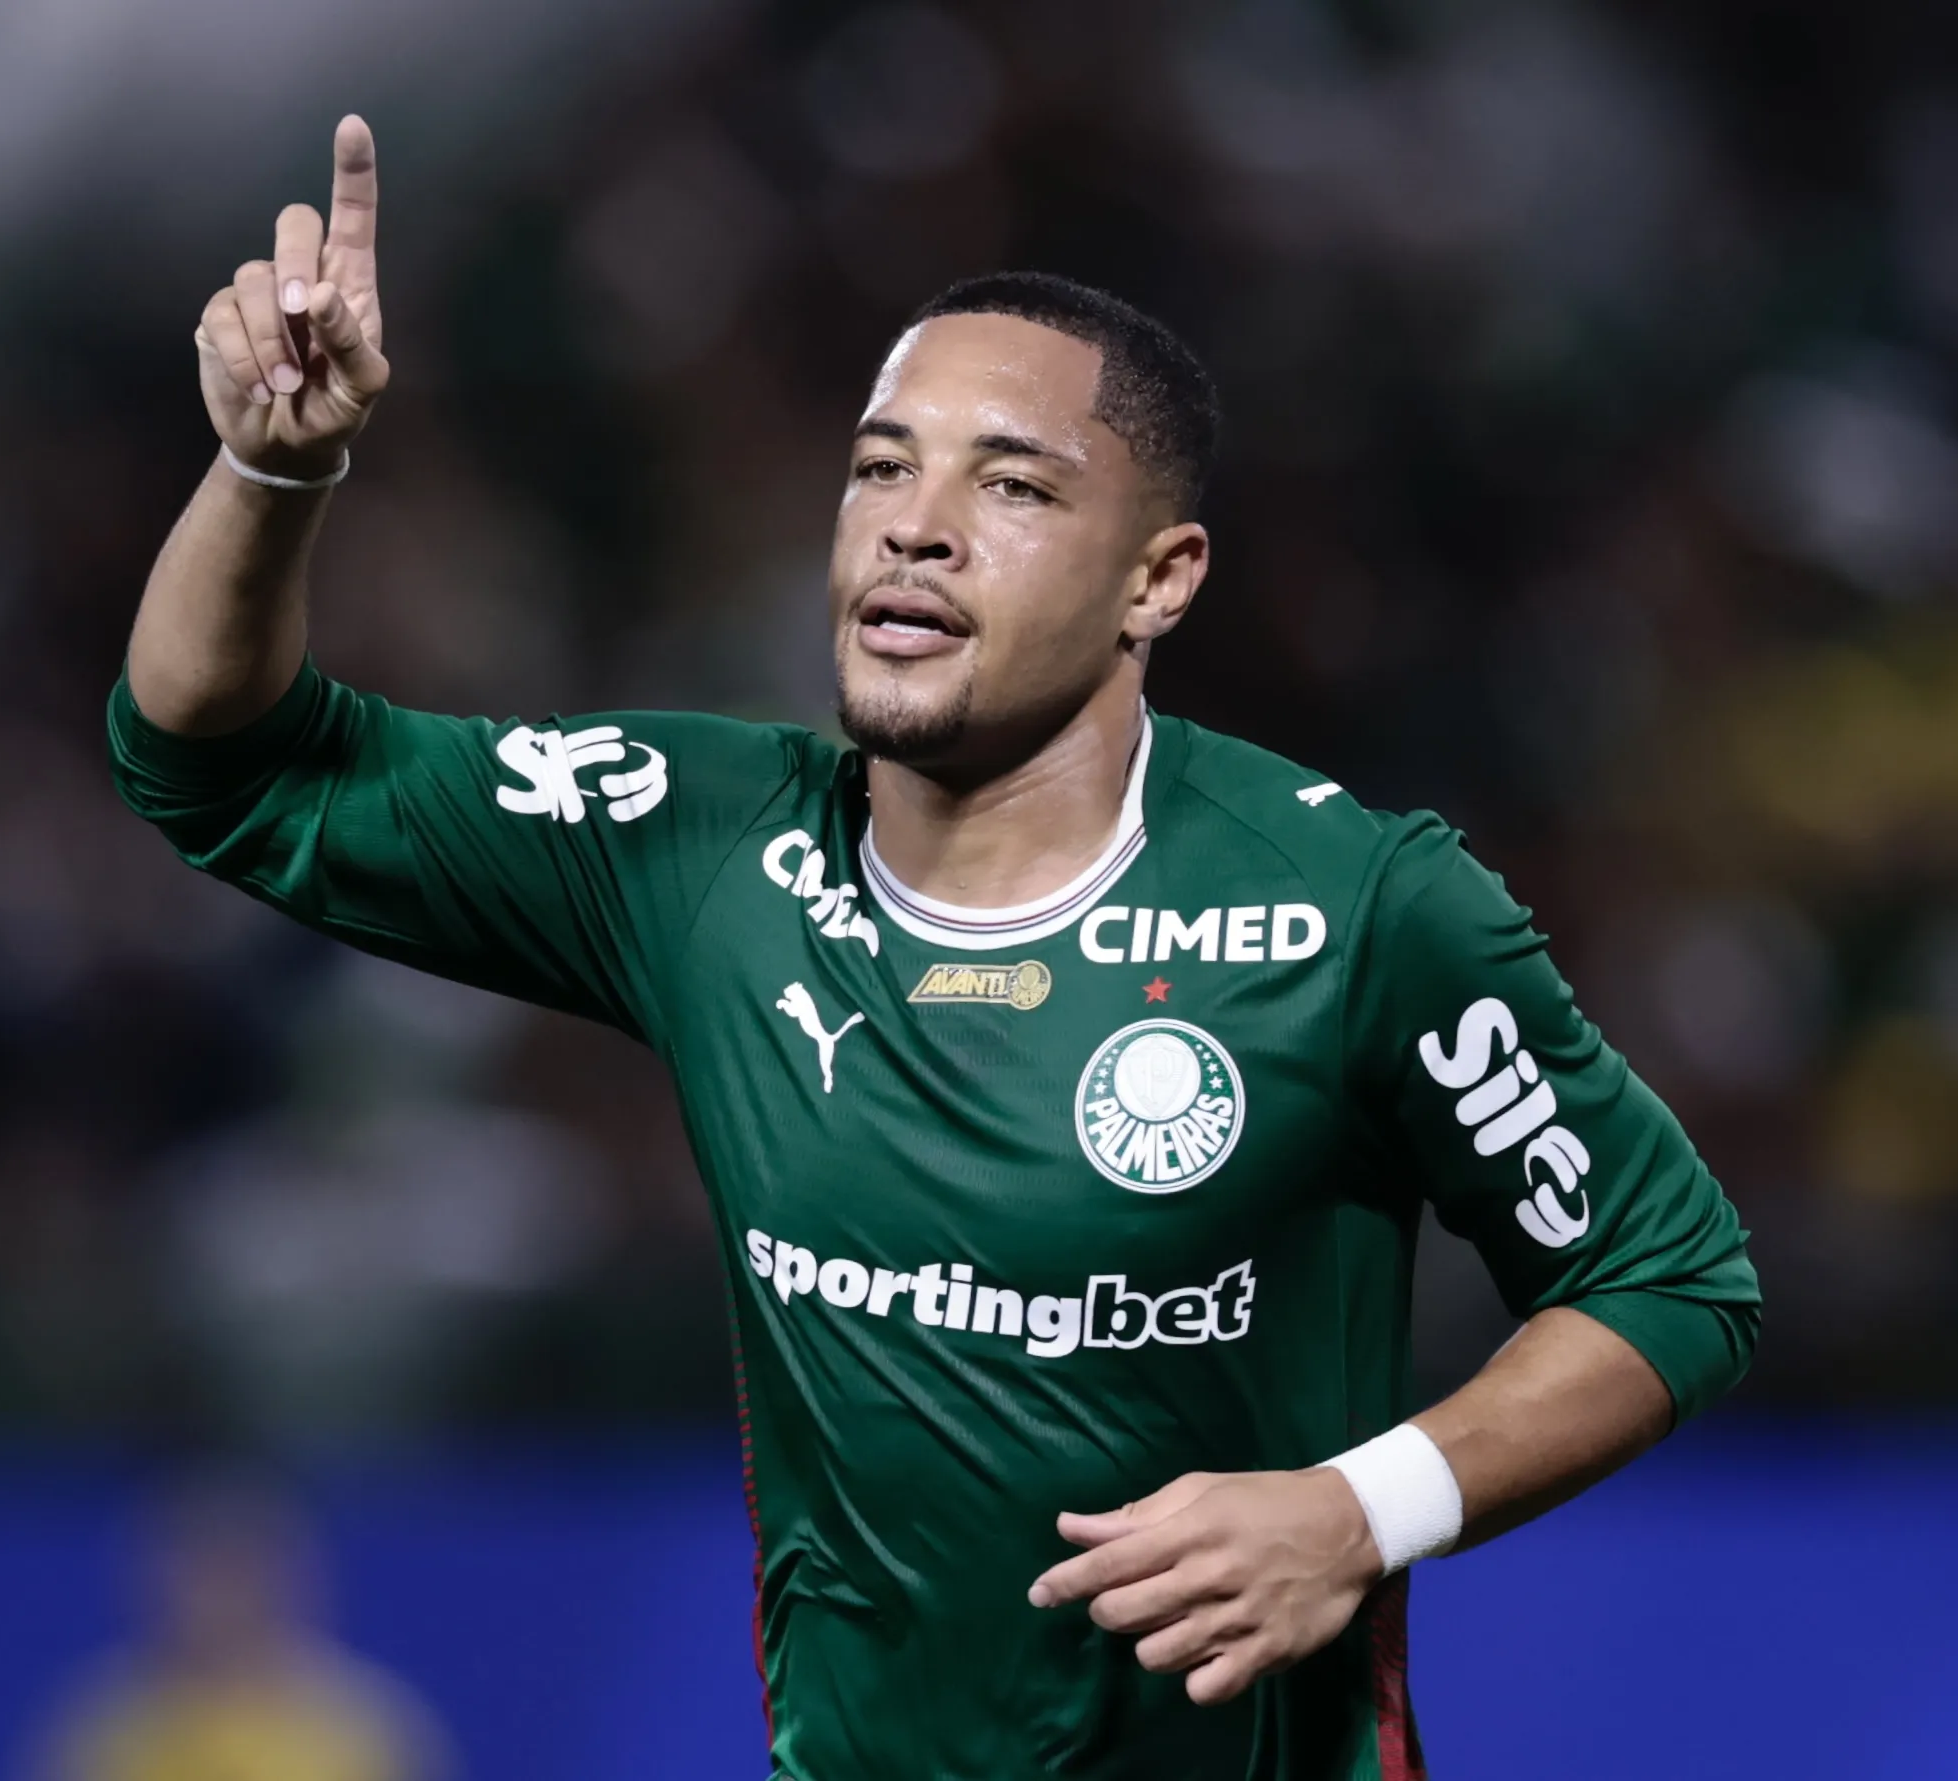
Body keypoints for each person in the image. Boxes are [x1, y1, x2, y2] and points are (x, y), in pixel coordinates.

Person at [109, 114, 1759, 1781]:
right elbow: (217, 757)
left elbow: (1668, 1277)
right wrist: (273, 470)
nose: (914, 524)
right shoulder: (695, 847)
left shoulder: (1356, 908)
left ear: (1157, 578)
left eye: (1012, 484)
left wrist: (1355, 1509)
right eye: (882, 466)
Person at [39, 1479, 452, 1781]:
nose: (223, 1595)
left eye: (244, 1569)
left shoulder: (362, 1727)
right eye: (202, 1571)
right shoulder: (110, 1728)